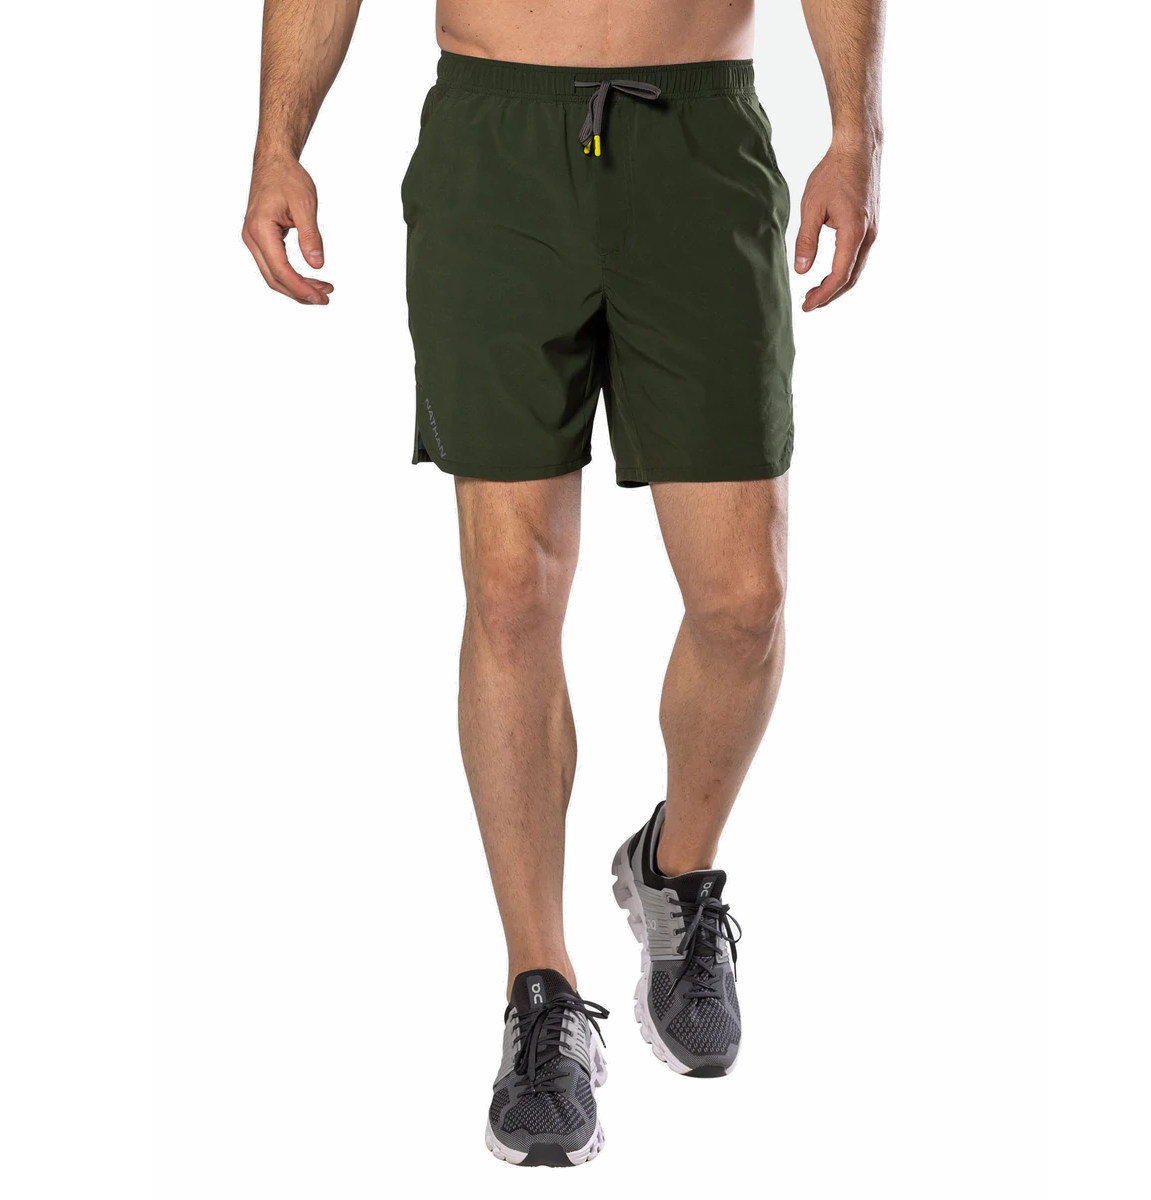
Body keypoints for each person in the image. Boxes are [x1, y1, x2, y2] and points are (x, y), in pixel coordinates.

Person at [243, 0, 883, 1167]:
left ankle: (674, 872)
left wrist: (856, 130)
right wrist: (279, 139)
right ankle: (540, 991)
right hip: (497, 145)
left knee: (744, 602)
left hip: (697, 137)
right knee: (509, 590)